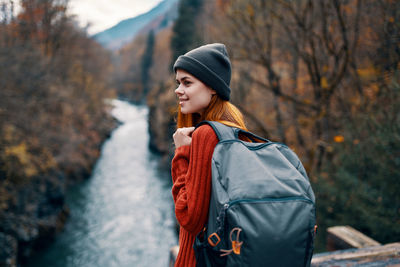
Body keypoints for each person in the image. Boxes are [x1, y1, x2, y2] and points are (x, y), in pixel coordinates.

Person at [171, 43, 248, 267]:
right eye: (178, 82)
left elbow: (190, 218)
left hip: (199, 259)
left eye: (187, 82)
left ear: (213, 87)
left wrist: (182, 153)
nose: (178, 90)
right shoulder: (233, 127)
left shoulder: (206, 134)